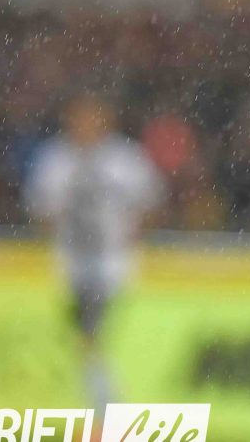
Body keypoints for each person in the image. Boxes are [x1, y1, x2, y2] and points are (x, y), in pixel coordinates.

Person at [23, 92, 164, 409]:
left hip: (116, 262)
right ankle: (97, 403)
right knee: (78, 336)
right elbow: (38, 209)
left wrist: (133, 233)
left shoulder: (125, 159)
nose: (85, 124)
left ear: (105, 120)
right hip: (68, 262)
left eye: (91, 117)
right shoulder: (55, 159)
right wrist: (54, 229)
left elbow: (152, 204)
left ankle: (106, 403)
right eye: (79, 117)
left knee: (110, 335)